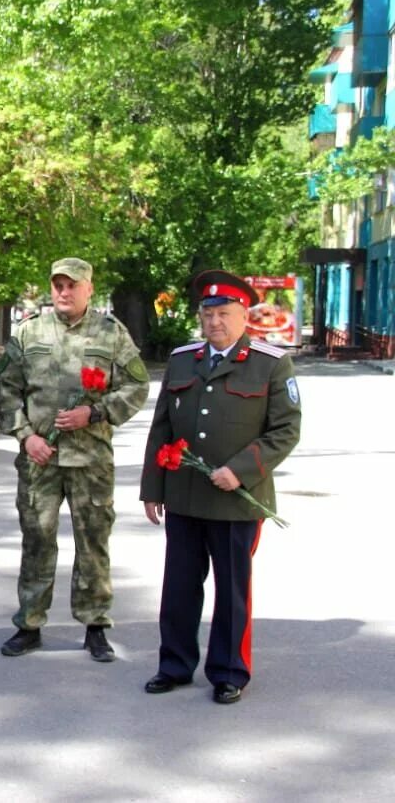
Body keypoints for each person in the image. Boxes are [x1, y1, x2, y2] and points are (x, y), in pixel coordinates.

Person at [140, 269, 302, 705]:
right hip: (186, 497)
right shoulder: (182, 360)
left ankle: (230, 672)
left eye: (224, 313)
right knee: (178, 588)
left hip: (235, 502)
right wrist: (153, 488)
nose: (214, 322)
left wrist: (241, 470)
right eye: (207, 313)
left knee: (231, 591)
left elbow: (285, 430)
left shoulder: (271, 362)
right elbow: (162, 429)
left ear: (243, 315)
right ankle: (173, 666)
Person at [0, 257, 149, 662]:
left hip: (91, 459)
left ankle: (95, 624)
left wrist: (94, 412)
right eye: (58, 284)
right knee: (37, 541)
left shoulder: (110, 333)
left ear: (88, 289)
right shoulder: (29, 333)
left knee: (93, 542)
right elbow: (6, 389)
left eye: (72, 285)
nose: (64, 292)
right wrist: (25, 437)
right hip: (40, 460)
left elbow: (136, 385)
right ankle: (29, 624)